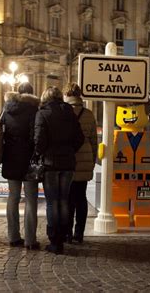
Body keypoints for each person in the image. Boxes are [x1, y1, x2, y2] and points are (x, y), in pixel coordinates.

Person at [34, 86, 84, 254]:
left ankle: (54, 240)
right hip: (68, 163)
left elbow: (39, 141)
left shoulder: (42, 113)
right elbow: (80, 138)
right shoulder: (69, 113)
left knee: (52, 202)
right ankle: (62, 236)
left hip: (51, 163)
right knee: (64, 201)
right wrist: (70, 151)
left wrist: (42, 153)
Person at [0, 82, 40, 250]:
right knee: (31, 199)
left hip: (10, 158)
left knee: (13, 197)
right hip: (29, 161)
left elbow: (0, 130)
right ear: (32, 94)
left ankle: (13, 237)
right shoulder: (34, 110)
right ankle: (30, 240)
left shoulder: (7, 109)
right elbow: (36, 136)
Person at [62, 83, 98, 244]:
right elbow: (94, 142)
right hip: (85, 162)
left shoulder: (63, 113)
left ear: (66, 95)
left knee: (68, 199)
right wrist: (91, 162)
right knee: (81, 198)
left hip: (68, 161)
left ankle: (67, 233)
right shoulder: (89, 115)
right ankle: (79, 234)